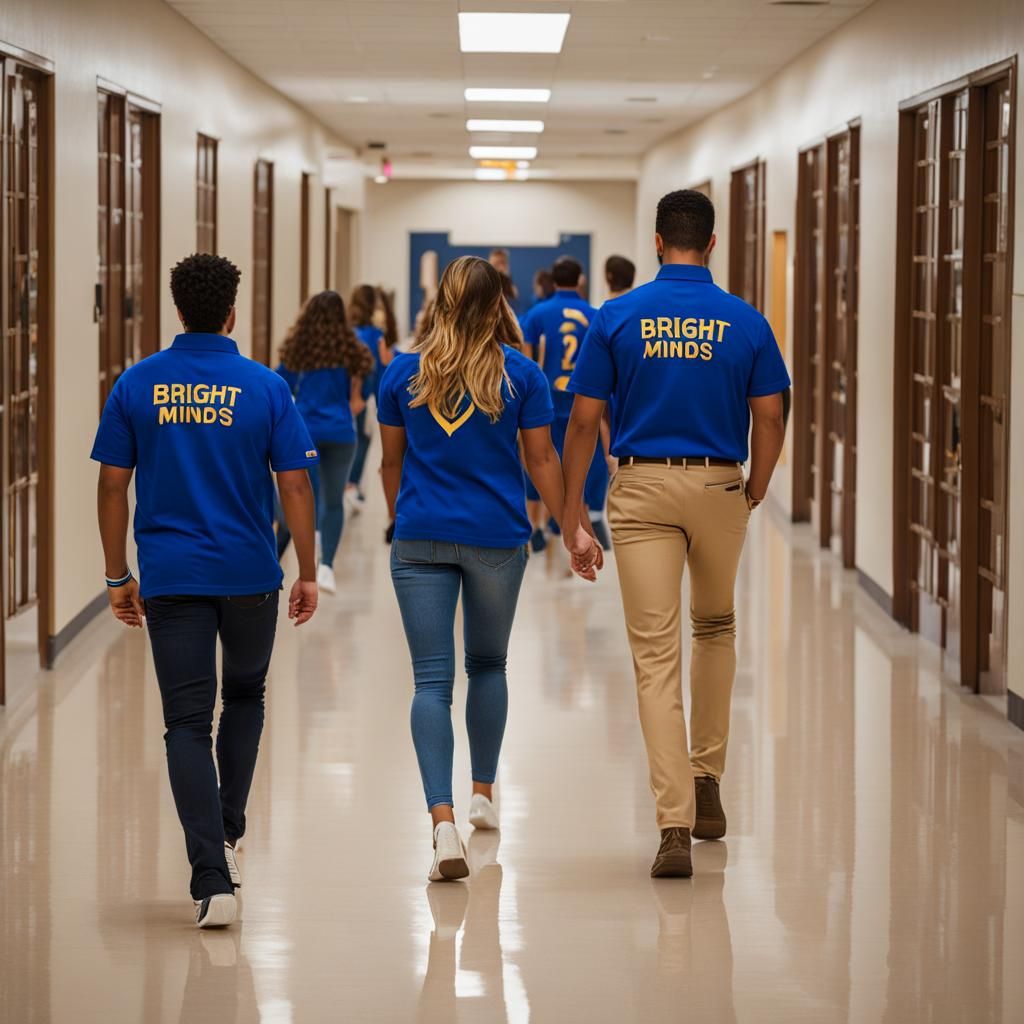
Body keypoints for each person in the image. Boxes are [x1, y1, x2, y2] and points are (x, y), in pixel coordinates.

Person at [560, 189, 789, 878]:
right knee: (715, 626)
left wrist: (572, 513)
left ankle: (673, 825)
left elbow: (580, 419)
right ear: (711, 244)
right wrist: (756, 488)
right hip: (720, 482)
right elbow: (771, 415)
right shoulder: (746, 321)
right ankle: (708, 779)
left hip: (642, 486)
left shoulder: (618, 315)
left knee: (655, 655)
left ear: (659, 242)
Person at [91, 253, 320, 927]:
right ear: (231, 313)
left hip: (173, 579)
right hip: (250, 575)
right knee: (245, 695)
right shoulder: (265, 387)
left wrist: (116, 576)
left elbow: (111, 485)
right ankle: (225, 834)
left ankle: (210, 878)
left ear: (177, 306)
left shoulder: (137, 384)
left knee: (186, 724)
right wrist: (308, 569)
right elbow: (296, 485)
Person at [377, 255, 600, 882]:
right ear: (501, 303)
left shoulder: (401, 374)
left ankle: (441, 823)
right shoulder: (521, 376)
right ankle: (482, 794)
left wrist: (404, 521)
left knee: (429, 681)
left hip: (420, 537)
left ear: (441, 303)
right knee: (488, 665)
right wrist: (570, 528)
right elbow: (542, 460)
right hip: (497, 540)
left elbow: (390, 465)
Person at [275, 290, 375, 594]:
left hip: (305, 433)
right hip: (342, 433)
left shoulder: (297, 350)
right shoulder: (353, 350)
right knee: (333, 501)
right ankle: (326, 567)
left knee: (299, 495)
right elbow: (364, 391)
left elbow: (280, 386)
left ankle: (273, 561)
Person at [520, 256, 610, 550]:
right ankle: (578, 521)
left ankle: (537, 524)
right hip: (582, 400)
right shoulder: (595, 315)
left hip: (544, 398)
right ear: (580, 280)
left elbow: (526, 358)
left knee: (539, 457)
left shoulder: (536, 313)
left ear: (554, 280)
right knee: (580, 461)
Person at [347, 284, 398, 511]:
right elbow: (378, 372)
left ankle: (345, 484)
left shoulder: (346, 332)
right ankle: (351, 483)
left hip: (341, 396)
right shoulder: (376, 336)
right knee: (362, 440)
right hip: (361, 396)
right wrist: (381, 404)